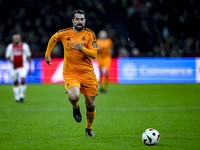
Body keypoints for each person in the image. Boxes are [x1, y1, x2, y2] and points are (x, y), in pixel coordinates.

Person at [45, 10, 98, 137]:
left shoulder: (90, 34)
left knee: (90, 104)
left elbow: (94, 55)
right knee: (74, 96)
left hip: (87, 73)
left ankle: (89, 128)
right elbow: (53, 38)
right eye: (77, 19)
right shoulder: (64, 33)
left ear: (85, 20)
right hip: (70, 73)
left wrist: (82, 48)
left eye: (82, 19)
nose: (79, 21)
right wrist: (47, 55)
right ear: (72, 20)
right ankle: (75, 106)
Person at [5, 34, 32, 103]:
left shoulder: (25, 46)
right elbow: (7, 56)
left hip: (22, 66)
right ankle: (16, 98)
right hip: (13, 67)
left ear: (20, 39)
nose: (16, 40)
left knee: (22, 79)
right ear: (13, 39)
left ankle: (22, 96)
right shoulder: (10, 46)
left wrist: (30, 67)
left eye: (17, 38)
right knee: (15, 81)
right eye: (15, 38)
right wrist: (11, 61)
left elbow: (29, 56)